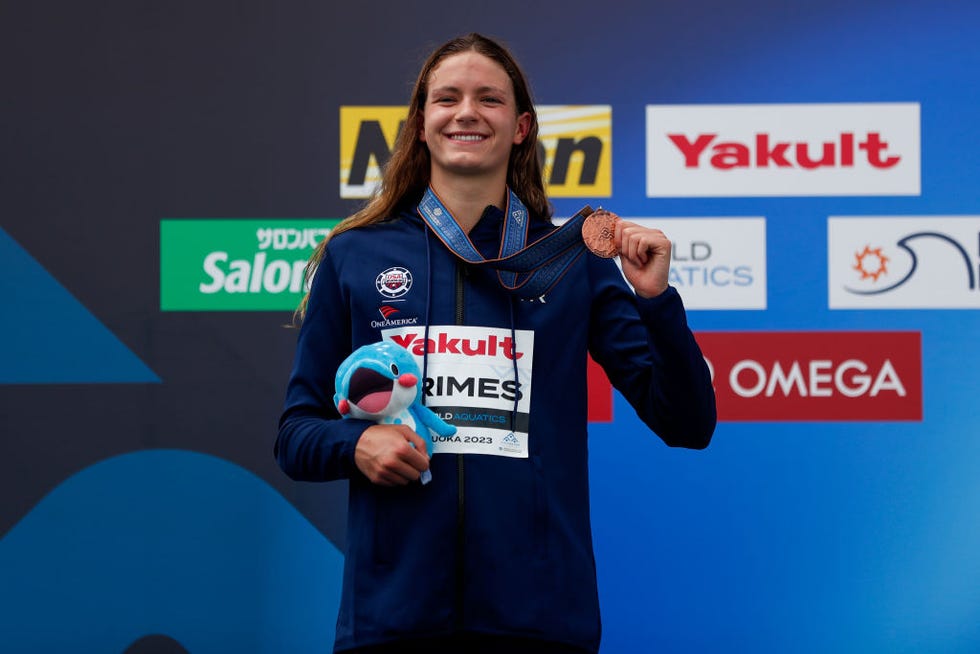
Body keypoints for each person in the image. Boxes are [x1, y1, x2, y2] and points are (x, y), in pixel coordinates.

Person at [276, 32, 716, 654]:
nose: (466, 112)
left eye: (490, 99)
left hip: (539, 619)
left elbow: (688, 421)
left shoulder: (571, 261)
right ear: (421, 125)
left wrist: (656, 302)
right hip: (393, 618)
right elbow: (295, 434)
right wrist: (358, 442)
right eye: (447, 98)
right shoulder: (354, 256)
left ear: (520, 127)